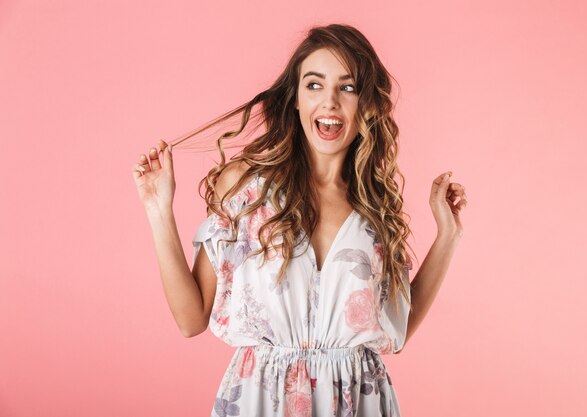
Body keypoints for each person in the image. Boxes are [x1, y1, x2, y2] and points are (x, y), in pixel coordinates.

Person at [132, 23, 467, 417]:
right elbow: (191, 320)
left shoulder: (373, 210)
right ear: (295, 100)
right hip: (262, 400)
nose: (329, 102)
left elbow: (396, 331)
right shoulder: (247, 189)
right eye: (314, 85)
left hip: (360, 401)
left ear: (367, 104)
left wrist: (448, 236)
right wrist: (158, 210)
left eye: (347, 87)